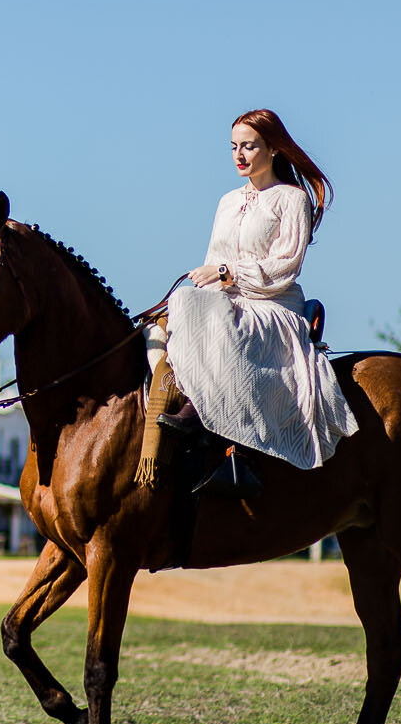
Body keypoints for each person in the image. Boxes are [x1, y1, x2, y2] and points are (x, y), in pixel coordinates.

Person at [135, 108, 358, 493]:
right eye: (234, 147)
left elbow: (285, 267)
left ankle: (206, 419)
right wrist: (209, 281)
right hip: (225, 301)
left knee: (201, 311)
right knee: (166, 318)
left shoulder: (292, 199)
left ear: (272, 149)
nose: (239, 155)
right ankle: (175, 393)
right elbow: (212, 259)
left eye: (249, 146)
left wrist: (228, 273)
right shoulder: (226, 201)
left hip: (273, 305)